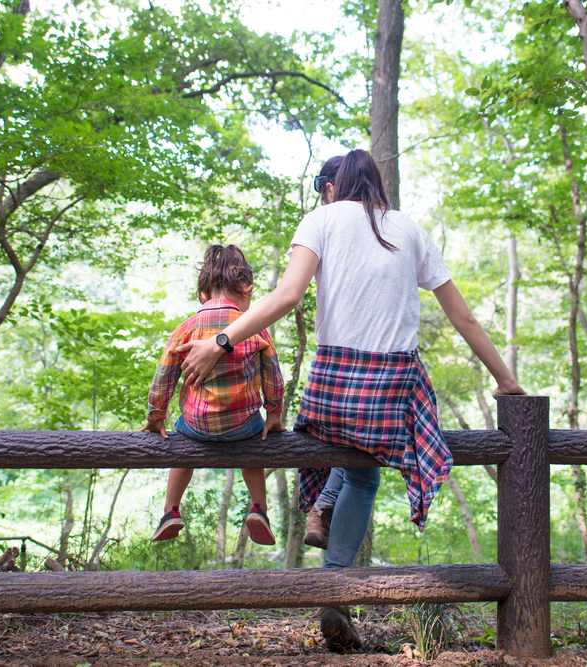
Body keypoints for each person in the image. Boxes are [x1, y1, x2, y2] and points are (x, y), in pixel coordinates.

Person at [177, 150, 524, 651]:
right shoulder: (409, 229)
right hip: (389, 385)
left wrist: (220, 341)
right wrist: (506, 382)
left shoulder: (321, 218)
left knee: (334, 445)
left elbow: (287, 296)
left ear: (333, 187)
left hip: (333, 381)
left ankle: (323, 523)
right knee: (365, 472)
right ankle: (336, 584)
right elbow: (463, 318)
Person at [141, 244, 286, 546]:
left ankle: (170, 511)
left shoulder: (186, 328)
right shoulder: (255, 329)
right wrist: (273, 413)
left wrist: (157, 414)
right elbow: (273, 375)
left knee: (181, 453)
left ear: (203, 293)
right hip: (243, 426)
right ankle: (259, 508)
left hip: (196, 426)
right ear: (246, 290)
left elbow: (163, 377)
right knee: (254, 450)